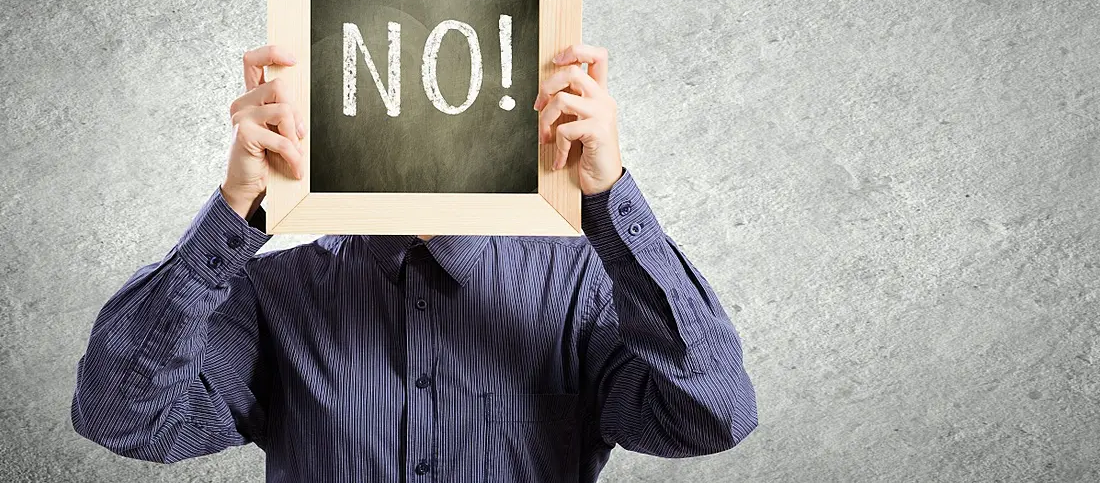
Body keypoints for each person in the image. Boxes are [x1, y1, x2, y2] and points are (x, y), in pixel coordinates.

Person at [70, 43, 758, 482]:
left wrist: (609, 199)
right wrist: (237, 203)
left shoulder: (582, 285)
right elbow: (124, 417)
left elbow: (710, 416)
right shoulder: (272, 293)